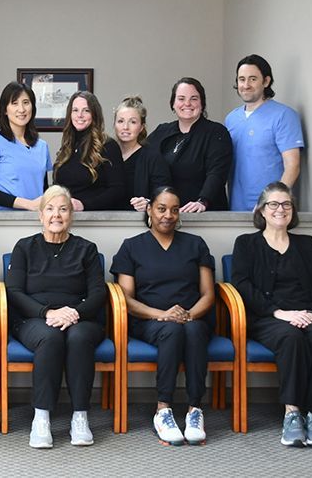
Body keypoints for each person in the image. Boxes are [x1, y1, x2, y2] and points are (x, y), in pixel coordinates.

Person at [231, 181, 312, 448]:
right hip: (269, 318)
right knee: (291, 337)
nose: (281, 209)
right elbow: (241, 285)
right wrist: (279, 313)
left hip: (308, 314)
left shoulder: (307, 244)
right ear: (262, 210)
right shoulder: (247, 243)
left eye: (286, 204)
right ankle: (292, 414)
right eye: (274, 204)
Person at [111, 186, 215, 446]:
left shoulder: (195, 244)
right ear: (149, 210)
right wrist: (163, 315)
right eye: (161, 208)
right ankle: (163, 409)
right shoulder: (132, 247)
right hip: (148, 321)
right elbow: (127, 300)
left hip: (193, 319)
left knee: (189, 330)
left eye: (174, 209)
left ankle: (194, 409)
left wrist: (188, 315)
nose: (168, 215)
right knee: (172, 330)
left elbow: (208, 294)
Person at [6, 185, 106, 448]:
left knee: (79, 337)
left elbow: (98, 293)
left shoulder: (87, 249)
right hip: (34, 319)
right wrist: (46, 312)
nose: (56, 215)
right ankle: (41, 416)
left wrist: (74, 312)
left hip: (81, 318)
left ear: (71, 215)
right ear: (40, 215)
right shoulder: (25, 247)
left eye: (63, 209)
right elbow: (14, 292)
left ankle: (80, 416)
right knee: (50, 338)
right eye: (50, 209)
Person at [136, 78, 232, 212]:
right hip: (167, 214)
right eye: (181, 99)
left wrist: (203, 201)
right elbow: (144, 164)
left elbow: (217, 173)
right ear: (173, 104)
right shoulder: (162, 132)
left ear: (202, 103)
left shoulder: (216, 132)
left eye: (194, 98)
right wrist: (148, 199)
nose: (187, 103)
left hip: (202, 214)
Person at [226, 55, 305, 211]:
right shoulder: (231, 119)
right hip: (236, 210)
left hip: (272, 213)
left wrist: (273, 203)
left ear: (266, 81)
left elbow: (292, 165)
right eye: (242, 79)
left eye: (253, 79)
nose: (246, 85)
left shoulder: (284, 115)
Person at [0, 82, 51, 211]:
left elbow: (44, 189)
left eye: (26, 102)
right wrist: (28, 204)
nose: (21, 109)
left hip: (38, 219)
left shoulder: (42, 146)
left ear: (33, 107)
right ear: (5, 110)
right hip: (7, 221)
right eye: (14, 103)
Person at [53, 91, 127, 210]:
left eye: (86, 110)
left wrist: (84, 205)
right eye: (75, 110)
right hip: (65, 218)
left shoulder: (108, 146)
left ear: (94, 114)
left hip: (94, 221)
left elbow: (118, 190)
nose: (80, 115)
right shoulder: (67, 147)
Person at [113, 96, 171, 212]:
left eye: (133, 122)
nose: (125, 127)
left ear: (141, 128)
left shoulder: (153, 158)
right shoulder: (106, 155)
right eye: (120, 121)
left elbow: (165, 196)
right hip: (106, 223)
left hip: (139, 223)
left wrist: (149, 203)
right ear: (114, 124)